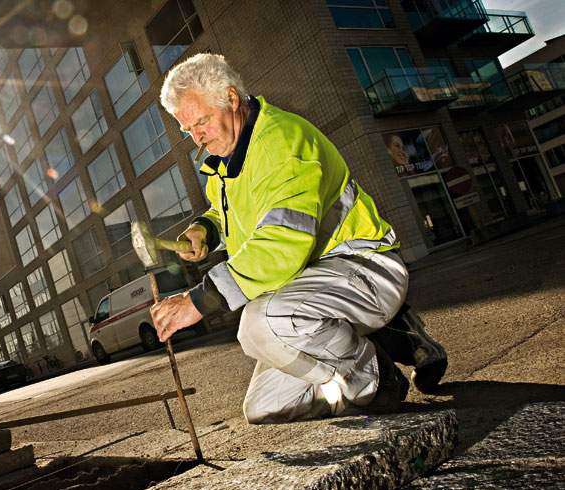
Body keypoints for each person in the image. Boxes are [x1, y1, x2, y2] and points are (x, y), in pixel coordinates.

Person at [151, 53, 447, 423]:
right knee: (264, 407)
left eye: (202, 122)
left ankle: (376, 380)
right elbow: (227, 213)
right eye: (187, 130)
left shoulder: (283, 141)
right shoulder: (224, 166)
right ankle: (385, 340)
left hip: (361, 266)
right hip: (309, 286)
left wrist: (198, 301)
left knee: (261, 322)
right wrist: (206, 229)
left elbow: (282, 241)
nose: (197, 138)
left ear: (230, 98)